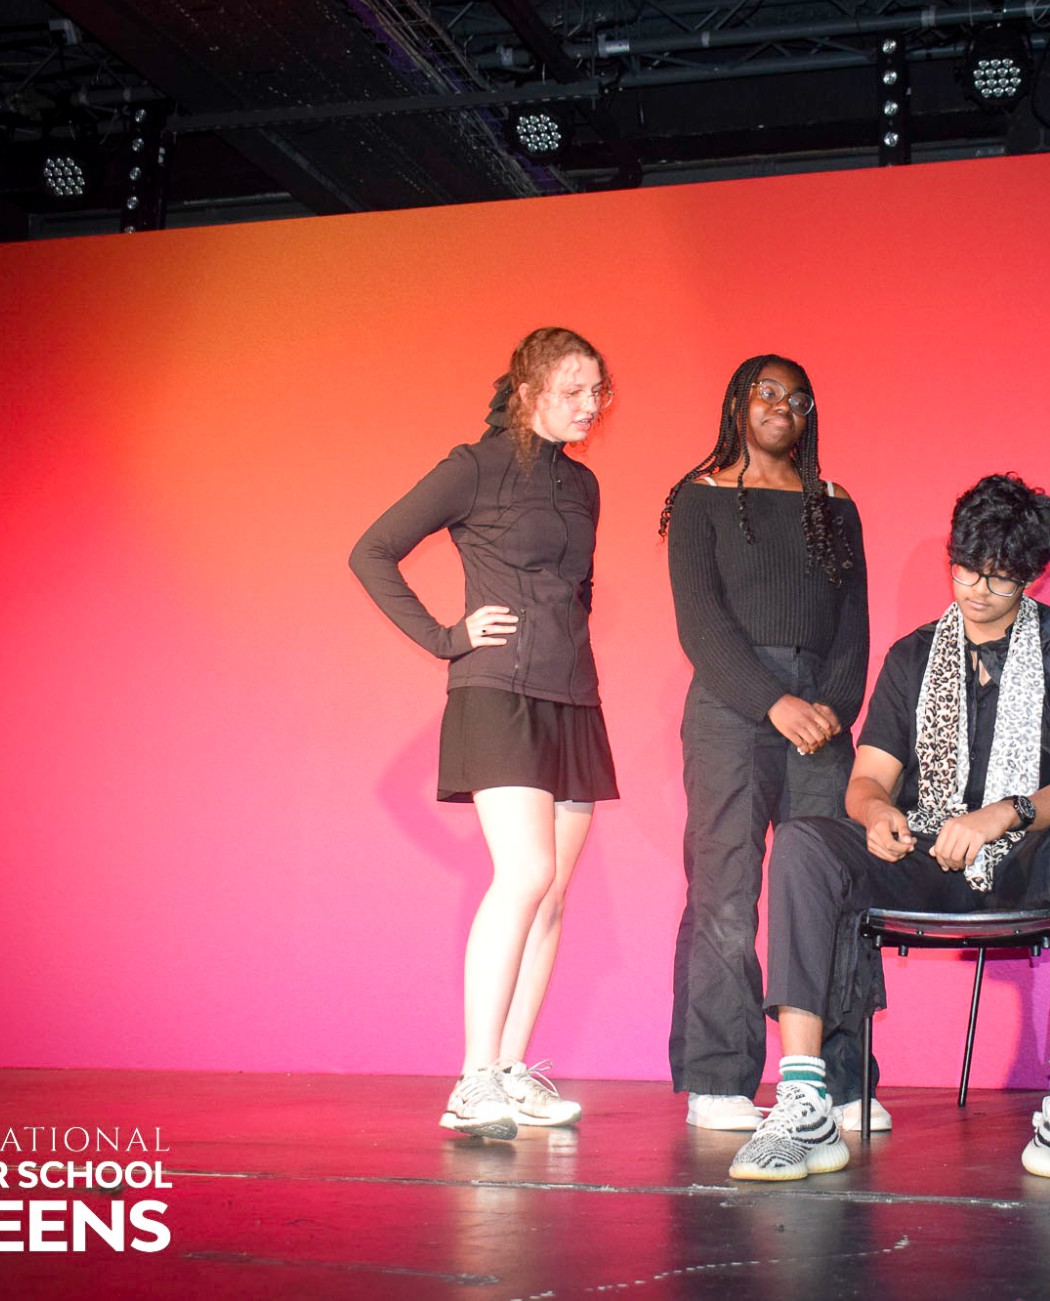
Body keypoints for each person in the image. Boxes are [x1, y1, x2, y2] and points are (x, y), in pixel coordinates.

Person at [729, 473, 1050, 1188]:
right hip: (923, 852)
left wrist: (1003, 813)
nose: (976, 589)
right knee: (802, 842)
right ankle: (803, 1102)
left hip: (1023, 860)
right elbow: (868, 778)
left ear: (1030, 577)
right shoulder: (913, 655)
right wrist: (877, 814)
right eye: (965, 568)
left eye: (998, 577)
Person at [350, 326, 618, 1140]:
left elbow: (579, 589)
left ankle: (509, 1069)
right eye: (573, 390)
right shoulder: (475, 465)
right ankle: (472, 1080)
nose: (590, 404)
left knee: (554, 891)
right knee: (526, 871)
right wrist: (446, 636)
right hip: (497, 692)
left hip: (572, 697)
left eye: (598, 391)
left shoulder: (584, 484)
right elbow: (372, 551)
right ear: (530, 389)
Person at [658, 356, 871, 1133]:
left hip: (821, 712)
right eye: (766, 392)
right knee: (727, 890)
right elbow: (701, 625)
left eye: (797, 397)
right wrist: (773, 701)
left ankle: (841, 1081)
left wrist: (830, 707)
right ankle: (718, 1080)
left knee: (834, 891)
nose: (783, 405)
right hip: (732, 707)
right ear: (737, 404)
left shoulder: (835, 504)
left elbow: (853, 626)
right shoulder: (700, 498)